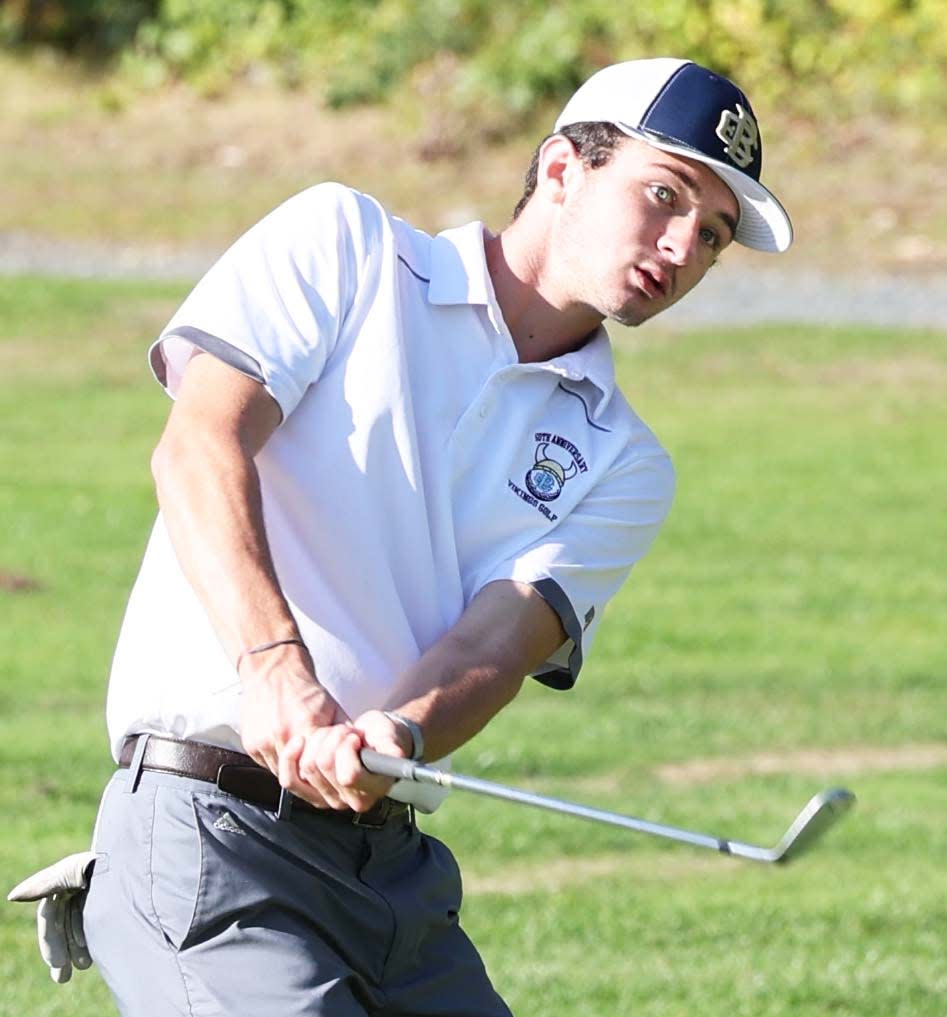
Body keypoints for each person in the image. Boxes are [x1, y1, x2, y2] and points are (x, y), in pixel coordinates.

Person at [9, 57, 791, 1014]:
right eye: (663, 195)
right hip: (210, 829)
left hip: (393, 874)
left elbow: (498, 643)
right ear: (560, 170)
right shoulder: (347, 245)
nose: (680, 248)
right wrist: (274, 670)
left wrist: (400, 728)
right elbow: (200, 444)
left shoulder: (626, 461)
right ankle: (130, 896)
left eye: (711, 236)